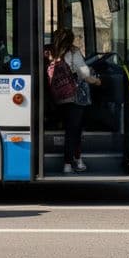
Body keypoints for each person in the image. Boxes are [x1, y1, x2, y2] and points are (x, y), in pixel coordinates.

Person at [51, 27, 101, 173]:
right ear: (71, 39)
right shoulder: (73, 52)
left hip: (59, 98)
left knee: (68, 128)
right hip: (74, 98)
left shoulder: (51, 53)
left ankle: (69, 163)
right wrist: (98, 82)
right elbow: (85, 75)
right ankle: (74, 162)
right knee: (75, 130)